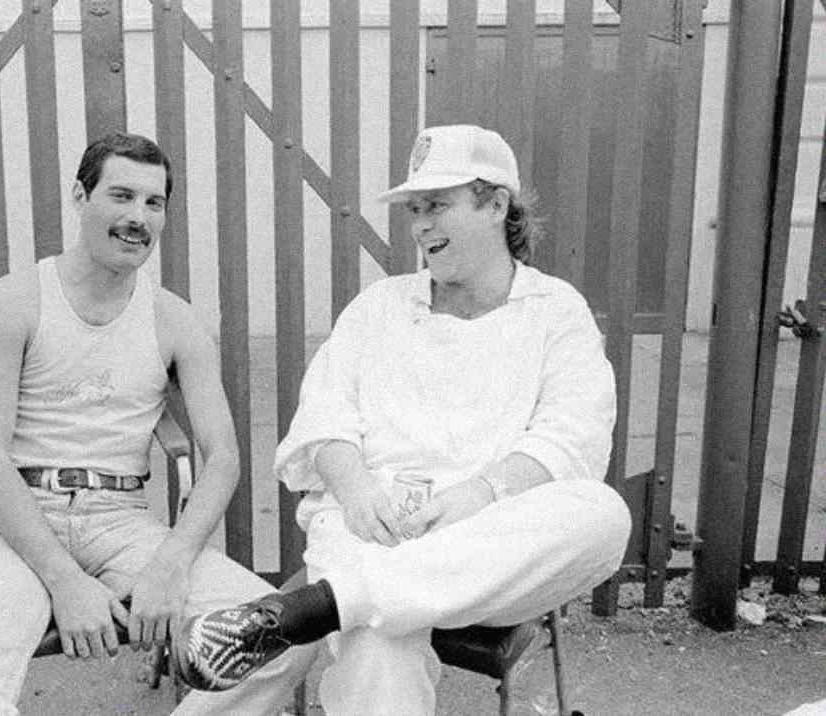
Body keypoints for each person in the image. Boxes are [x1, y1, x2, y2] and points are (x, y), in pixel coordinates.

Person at [173, 124, 633, 715]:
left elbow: (572, 438)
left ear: (496, 205)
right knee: (379, 643)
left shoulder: (556, 312)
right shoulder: (381, 306)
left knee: (603, 515)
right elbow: (324, 419)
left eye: (437, 205)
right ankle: (347, 602)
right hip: (370, 530)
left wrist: (479, 494)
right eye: (415, 209)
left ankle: (322, 607)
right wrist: (357, 490)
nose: (419, 225)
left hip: (485, 549)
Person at [0, 132, 317, 715]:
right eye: (122, 196)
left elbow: (224, 456)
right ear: (81, 197)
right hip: (19, 525)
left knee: (284, 638)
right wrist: (65, 582)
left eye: (154, 203)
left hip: (123, 523)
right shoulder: (14, 301)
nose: (138, 218)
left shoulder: (173, 319)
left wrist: (170, 564)